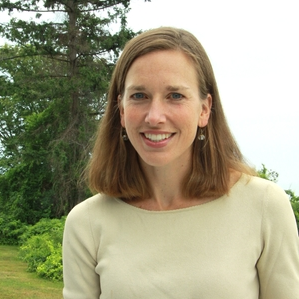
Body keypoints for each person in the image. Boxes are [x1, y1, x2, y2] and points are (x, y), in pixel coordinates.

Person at [62, 27, 299, 298]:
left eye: (175, 96)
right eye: (139, 96)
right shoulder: (86, 223)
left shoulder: (265, 206)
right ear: (122, 110)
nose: (154, 116)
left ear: (205, 109)